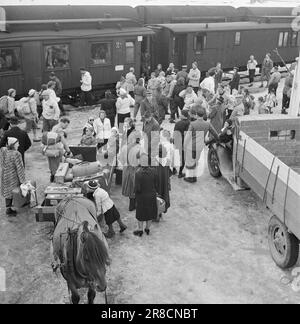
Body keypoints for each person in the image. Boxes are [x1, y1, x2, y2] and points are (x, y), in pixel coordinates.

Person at [184, 106, 218, 183]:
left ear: (196, 114)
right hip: (200, 146)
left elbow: (187, 136)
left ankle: (191, 178)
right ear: (203, 115)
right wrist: (218, 139)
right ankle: (194, 177)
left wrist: (184, 145)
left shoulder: (192, 124)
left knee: (190, 161)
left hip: (191, 146)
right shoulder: (207, 124)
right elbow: (215, 134)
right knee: (196, 160)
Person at [133, 153, 158, 236]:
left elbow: (137, 188)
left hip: (142, 196)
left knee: (141, 213)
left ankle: (140, 230)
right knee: (150, 212)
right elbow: (156, 184)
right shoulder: (154, 171)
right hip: (151, 195)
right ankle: (147, 229)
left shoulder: (138, 173)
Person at [0, 137, 26, 216]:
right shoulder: (16, 154)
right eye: (17, 143)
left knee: (7, 192)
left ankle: (8, 208)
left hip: (5, 175)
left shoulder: (4, 151)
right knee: (15, 192)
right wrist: (23, 181)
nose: (19, 144)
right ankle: (15, 207)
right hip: (13, 177)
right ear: (13, 144)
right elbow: (20, 168)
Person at [119, 130, 142, 212]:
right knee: (135, 187)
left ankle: (132, 204)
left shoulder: (124, 147)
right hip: (136, 169)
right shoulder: (139, 148)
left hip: (126, 168)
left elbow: (121, 159)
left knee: (129, 186)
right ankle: (134, 204)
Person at [47, 117, 71, 182]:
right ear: (62, 122)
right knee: (58, 166)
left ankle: (52, 178)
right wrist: (68, 150)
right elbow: (63, 141)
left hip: (50, 150)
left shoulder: (54, 127)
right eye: (66, 125)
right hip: (57, 150)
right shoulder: (59, 129)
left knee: (52, 165)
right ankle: (56, 181)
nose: (66, 127)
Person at [154, 144, 171, 221]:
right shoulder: (167, 161)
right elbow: (169, 173)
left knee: (157, 199)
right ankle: (160, 213)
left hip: (156, 184)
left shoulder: (154, 161)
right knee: (163, 197)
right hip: (164, 184)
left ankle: (157, 215)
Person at [174, 110, 190, 178]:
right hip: (183, 143)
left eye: (181, 114)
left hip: (177, 142)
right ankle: (180, 173)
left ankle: (174, 169)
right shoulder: (188, 123)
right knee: (183, 158)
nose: (180, 115)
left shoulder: (177, 123)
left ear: (184, 116)